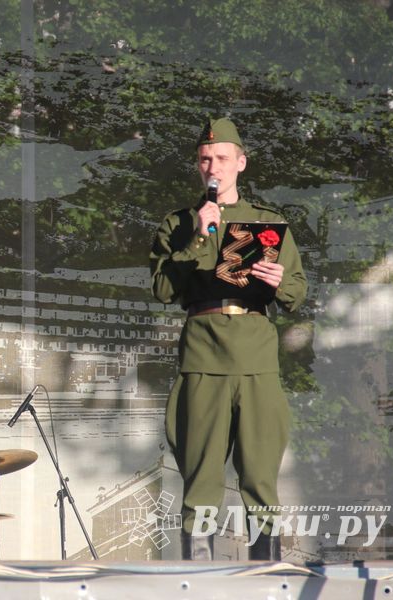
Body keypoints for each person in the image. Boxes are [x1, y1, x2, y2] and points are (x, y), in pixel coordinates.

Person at [149, 117, 307, 561]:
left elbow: (296, 292)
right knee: (200, 481)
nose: (212, 166)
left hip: (256, 355)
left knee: (260, 478)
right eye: (204, 159)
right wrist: (199, 236)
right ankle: (195, 580)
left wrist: (278, 281)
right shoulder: (179, 223)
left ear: (241, 162)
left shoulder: (268, 223)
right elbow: (163, 290)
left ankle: (268, 576)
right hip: (203, 355)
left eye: (221, 158)